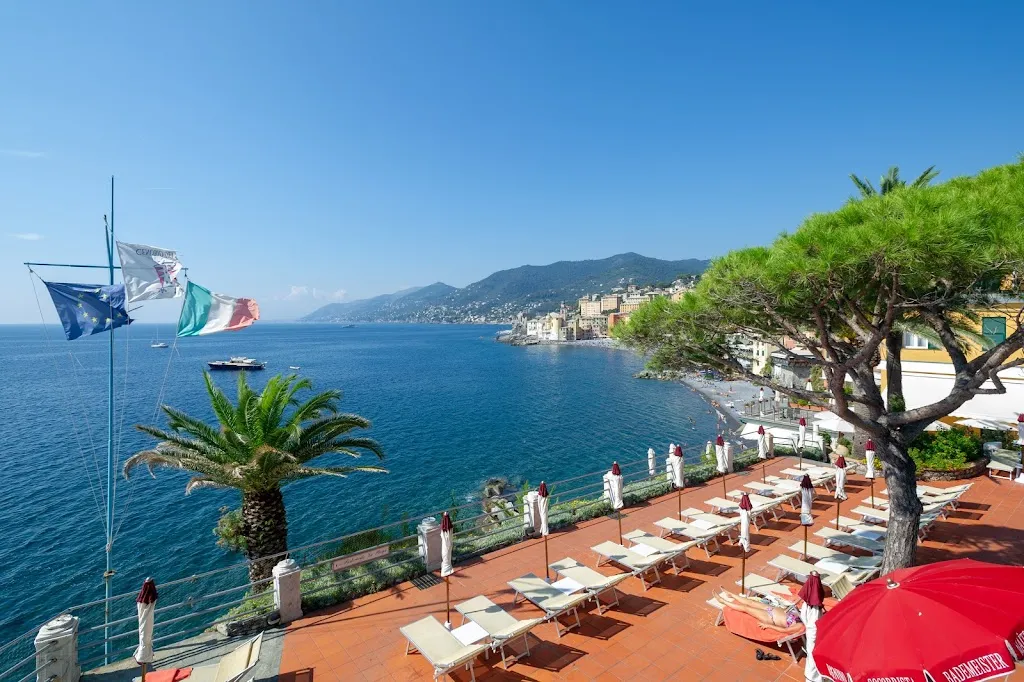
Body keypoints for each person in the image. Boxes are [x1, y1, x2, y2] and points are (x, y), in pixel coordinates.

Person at [715, 588, 804, 634]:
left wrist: (768, 625)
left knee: (746, 608)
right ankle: (731, 595)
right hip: (773, 609)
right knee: (751, 602)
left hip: (770, 618)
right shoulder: (804, 616)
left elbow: (784, 631)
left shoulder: (800, 625)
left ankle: (723, 601)